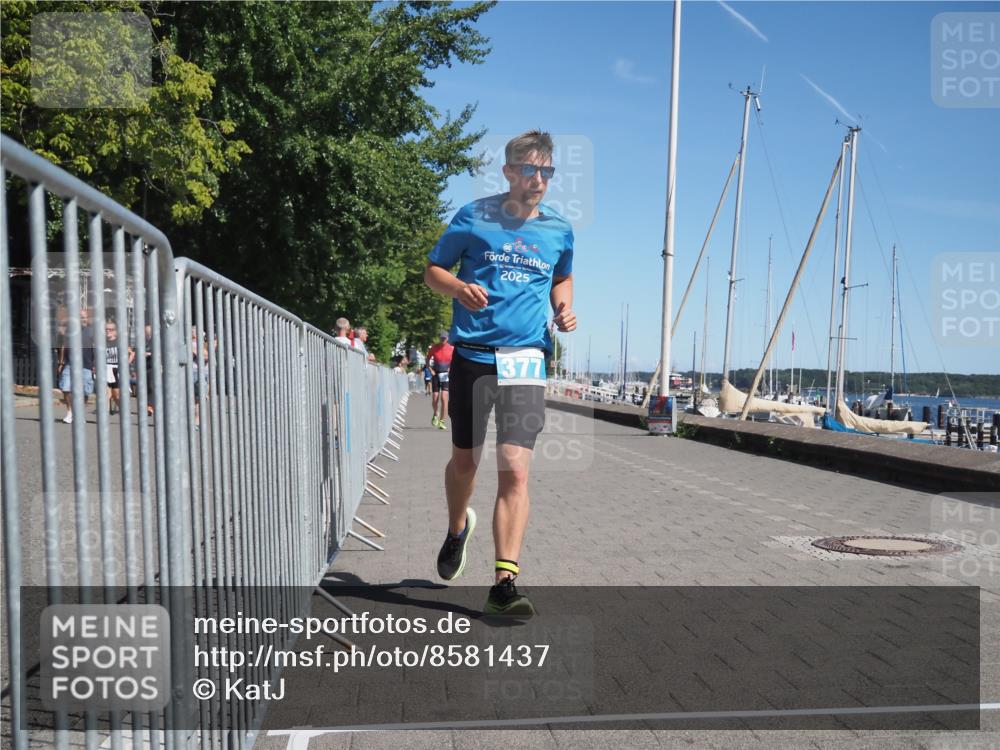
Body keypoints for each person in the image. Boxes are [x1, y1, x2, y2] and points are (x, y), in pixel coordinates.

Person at [423, 130, 576, 615]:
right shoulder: (473, 216)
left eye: (545, 172)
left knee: (515, 470)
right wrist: (459, 288)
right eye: (528, 170)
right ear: (508, 172)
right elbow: (433, 271)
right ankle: (455, 528)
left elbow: (562, 276)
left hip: (527, 358)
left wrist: (564, 308)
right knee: (465, 464)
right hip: (472, 354)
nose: (537, 180)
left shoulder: (559, 229)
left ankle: (504, 584)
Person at [57, 307, 96, 424]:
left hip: (86, 364)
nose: (81, 319)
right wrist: (61, 362)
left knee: (85, 391)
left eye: (83, 317)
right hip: (70, 363)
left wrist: (96, 364)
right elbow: (63, 345)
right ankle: (70, 412)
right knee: (65, 387)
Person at [426, 330, 454, 430]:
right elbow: (427, 360)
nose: (443, 340)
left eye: (444, 338)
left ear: (448, 338)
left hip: (446, 375)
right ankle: (435, 413)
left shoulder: (451, 349)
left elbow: (455, 361)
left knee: (444, 398)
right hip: (436, 374)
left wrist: (451, 369)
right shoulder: (434, 348)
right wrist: (430, 370)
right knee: (435, 398)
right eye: (441, 338)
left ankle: (442, 421)